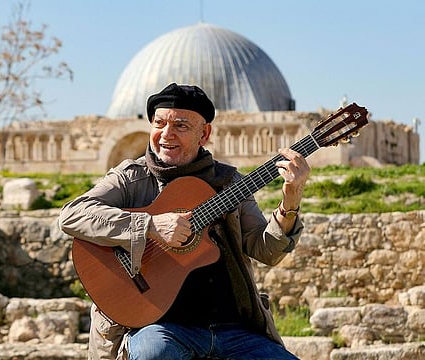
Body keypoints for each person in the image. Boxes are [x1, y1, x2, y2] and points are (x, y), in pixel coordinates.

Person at [59, 83, 310, 360]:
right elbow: (73, 214)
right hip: (157, 327)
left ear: (204, 134)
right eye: (160, 123)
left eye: (180, 125)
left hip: (233, 330)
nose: (167, 134)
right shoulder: (131, 178)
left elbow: (266, 250)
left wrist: (290, 202)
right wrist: (149, 226)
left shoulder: (229, 183)